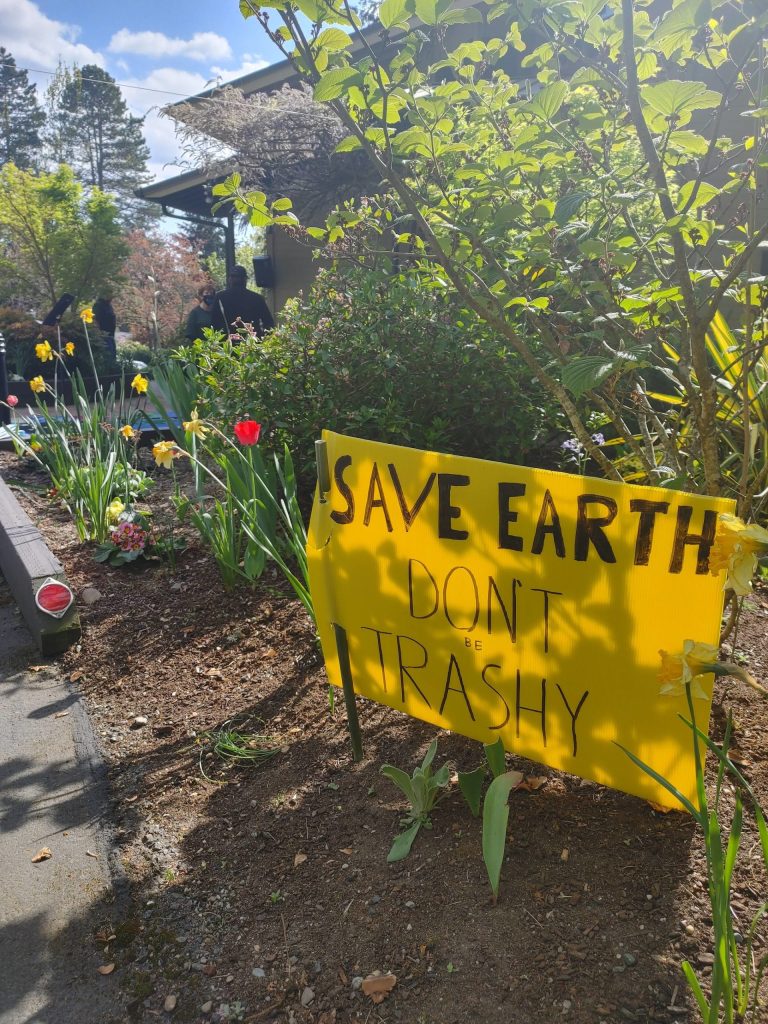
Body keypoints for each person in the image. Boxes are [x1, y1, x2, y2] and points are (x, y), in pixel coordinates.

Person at [211, 265, 274, 338]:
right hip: (252, 342)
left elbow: (214, 323)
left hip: (227, 343)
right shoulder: (256, 298)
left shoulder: (220, 297)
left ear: (230, 279)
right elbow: (268, 323)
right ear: (245, 279)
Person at [92, 291, 117, 361]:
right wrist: (99, 334)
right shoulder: (98, 305)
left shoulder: (109, 306)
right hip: (104, 335)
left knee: (113, 355)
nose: (112, 296)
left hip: (111, 335)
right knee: (108, 355)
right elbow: (95, 320)